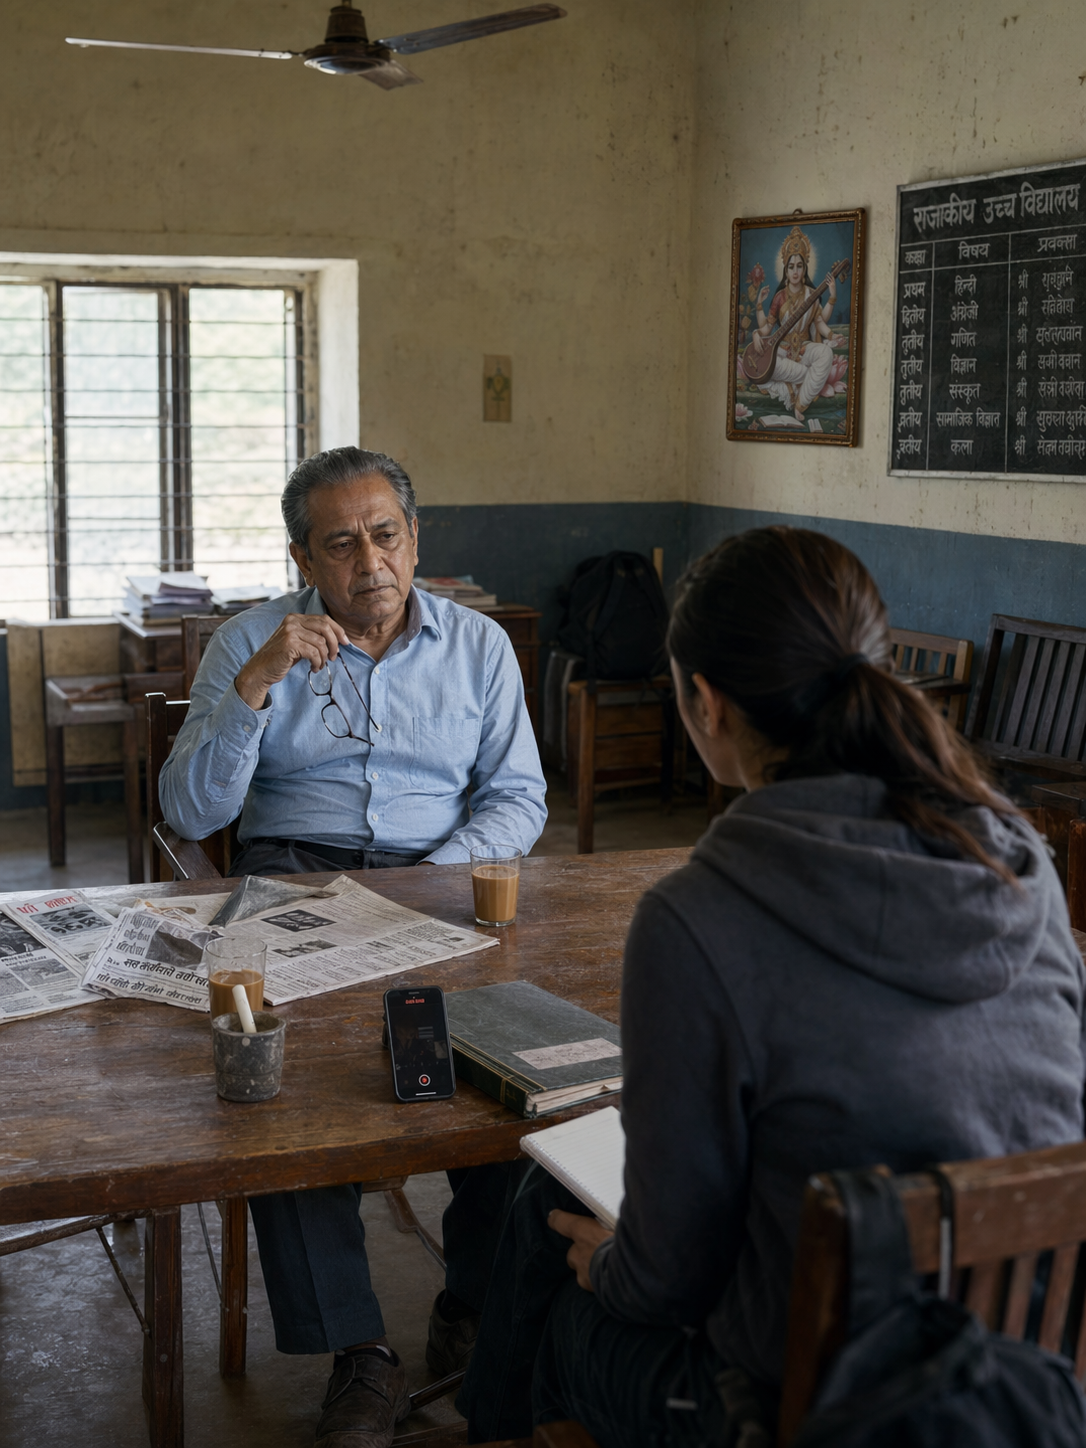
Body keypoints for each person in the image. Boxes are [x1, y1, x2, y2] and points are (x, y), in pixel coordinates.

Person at [458, 526, 1086, 1447]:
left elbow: (670, 1272)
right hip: (1018, 1362)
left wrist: (612, 1274)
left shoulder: (696, 916)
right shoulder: (1014, 852)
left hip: (805, 1402)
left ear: (706, 702)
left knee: (547, 1264)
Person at [160, 445, 547, 1448]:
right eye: (341, 543)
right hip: (293, 879)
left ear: (416, 542)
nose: (369, 560)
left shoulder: (479, 647)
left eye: (386, 535)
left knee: (521, 1074)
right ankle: (358, 1347)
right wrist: (256, 680)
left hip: (441, 881)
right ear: (303, 557)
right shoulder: (251, 641)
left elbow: (518, 796)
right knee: (273, 1095)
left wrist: (432, 881)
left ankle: (468, 1298)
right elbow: (191, 807)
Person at [750, 225, 839, 423]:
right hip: (781, 352)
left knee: (826, 353)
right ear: (786, 270)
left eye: (799, 266)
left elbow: (819, 322)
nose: (795, 271)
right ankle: (805, 382)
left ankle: (800, 403)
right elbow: (767, 328)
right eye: (791, 267)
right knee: (767, 367)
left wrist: (832, 333)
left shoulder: (811, 295)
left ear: (805, 268)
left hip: (804, 350)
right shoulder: (779, 297)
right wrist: (757, 332)